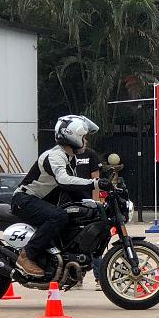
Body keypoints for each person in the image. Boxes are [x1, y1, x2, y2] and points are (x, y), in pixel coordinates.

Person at [11, 115, 111, 277]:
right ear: (73, 137)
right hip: (24, 200)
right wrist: (95, 183)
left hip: (38, 202)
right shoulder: (55, 155)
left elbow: (73, 189)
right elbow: (64, 181)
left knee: (74, 216)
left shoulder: (70, 158)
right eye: (83, 137)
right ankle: (26, 255)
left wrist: (96, 205)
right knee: (59, 216)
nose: (85, 141)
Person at [74, 139, 105, 290]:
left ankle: (99, 279)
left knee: (93, 242)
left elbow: (95, 179)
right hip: (72, 203)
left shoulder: (90, 155)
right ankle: (76, 278)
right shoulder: (66, 156)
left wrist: (95, 201)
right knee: (75, 242)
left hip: (87, 203)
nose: (83, 141)